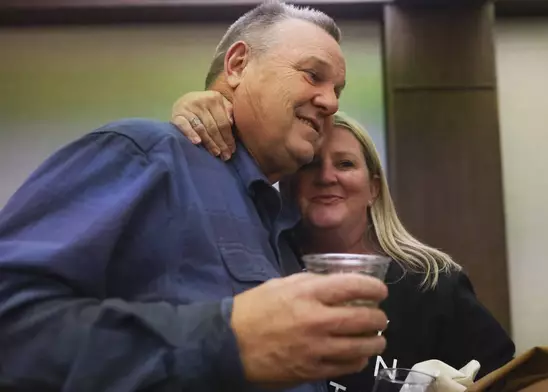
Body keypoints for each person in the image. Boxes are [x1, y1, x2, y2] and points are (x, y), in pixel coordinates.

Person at [0, 2, 390, 391]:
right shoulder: (149, 155)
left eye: (336, 90)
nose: (331, 102)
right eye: (312, 75)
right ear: (237, 65)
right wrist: (225, 340)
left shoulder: (281, 221)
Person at [171, 95, 517, 391]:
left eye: (345, 164)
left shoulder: (432, 283)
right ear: (288, 185)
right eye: (309, 165)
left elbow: (511, 379)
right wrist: (197, 112)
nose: (326, 177)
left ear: (374, 188)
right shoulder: (262, 269)